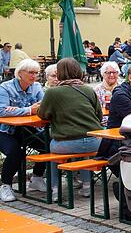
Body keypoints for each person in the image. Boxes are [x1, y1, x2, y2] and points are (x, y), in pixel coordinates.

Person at [38, 58, 103, 198]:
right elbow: (99, 115)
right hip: (95, 142)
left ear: (60, 73)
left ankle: (54, 191)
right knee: (83, 150)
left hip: (67, 144)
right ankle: (87, 187)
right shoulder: (88, 90)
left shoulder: (53, 92)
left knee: (52, 153)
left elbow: (42, 114)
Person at [0, 59, 46, 202]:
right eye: (31, 73)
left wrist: (16, 110)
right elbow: (2, 111)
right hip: (5, 130)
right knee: (15, 152)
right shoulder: (5, 88)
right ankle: (5, 185)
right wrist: (28, 110)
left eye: (36, 73)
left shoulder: (37, 87)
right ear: (20, 74)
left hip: (28, 128)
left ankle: (37, 178)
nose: (34, 76)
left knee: (49, 145)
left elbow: (43, 108)